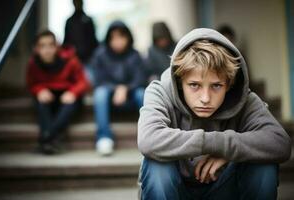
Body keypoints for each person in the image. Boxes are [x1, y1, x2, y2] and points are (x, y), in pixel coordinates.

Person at [137, 28, 292, 199]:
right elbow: (149, 139)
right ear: (180, 82)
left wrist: (226, 151)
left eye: (216, 86)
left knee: (263, 163)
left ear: (229, 84)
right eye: (194, 85)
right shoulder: (160, 92)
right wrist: (214, 144)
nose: (205, 98)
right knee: (157, 163)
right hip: (174, 191)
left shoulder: (244, 99)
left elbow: (280, 143)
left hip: (225, 189)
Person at [27, 30, 89, 155]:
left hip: (68, 96)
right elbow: (31, 84)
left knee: (71, 104)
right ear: (36, 49)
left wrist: (73, 92)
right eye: (42, 46)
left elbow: (83, 82)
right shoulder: (33, 63)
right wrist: (39, 91)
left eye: (51, 45)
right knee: (40, 102)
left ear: (57, 46)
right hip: (48, 97)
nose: (47, 49)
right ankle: (51, 139)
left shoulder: (71, 60)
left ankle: (46, 138)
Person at [91, 20, 145, 156]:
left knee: (142, 93)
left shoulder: (135, 55)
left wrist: (125, 88)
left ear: (128, 37)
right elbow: (98, 80)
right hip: (108, 100)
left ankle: (150, 134)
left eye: (121, 36)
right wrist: (116, 89)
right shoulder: (100, 55)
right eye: (113, 37)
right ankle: (104, 138)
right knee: (99, 93)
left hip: (131, 99)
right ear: (108, 39)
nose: (118, 41)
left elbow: (140, 79)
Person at [63, 0, 99, 85]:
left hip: (88, 58)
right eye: (76, 2)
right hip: (73, 57)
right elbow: (66, 41)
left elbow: (93, 39)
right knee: (73, 81)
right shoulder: (69, 21)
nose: (77, 4)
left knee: (89, 81)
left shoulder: (88, 20)